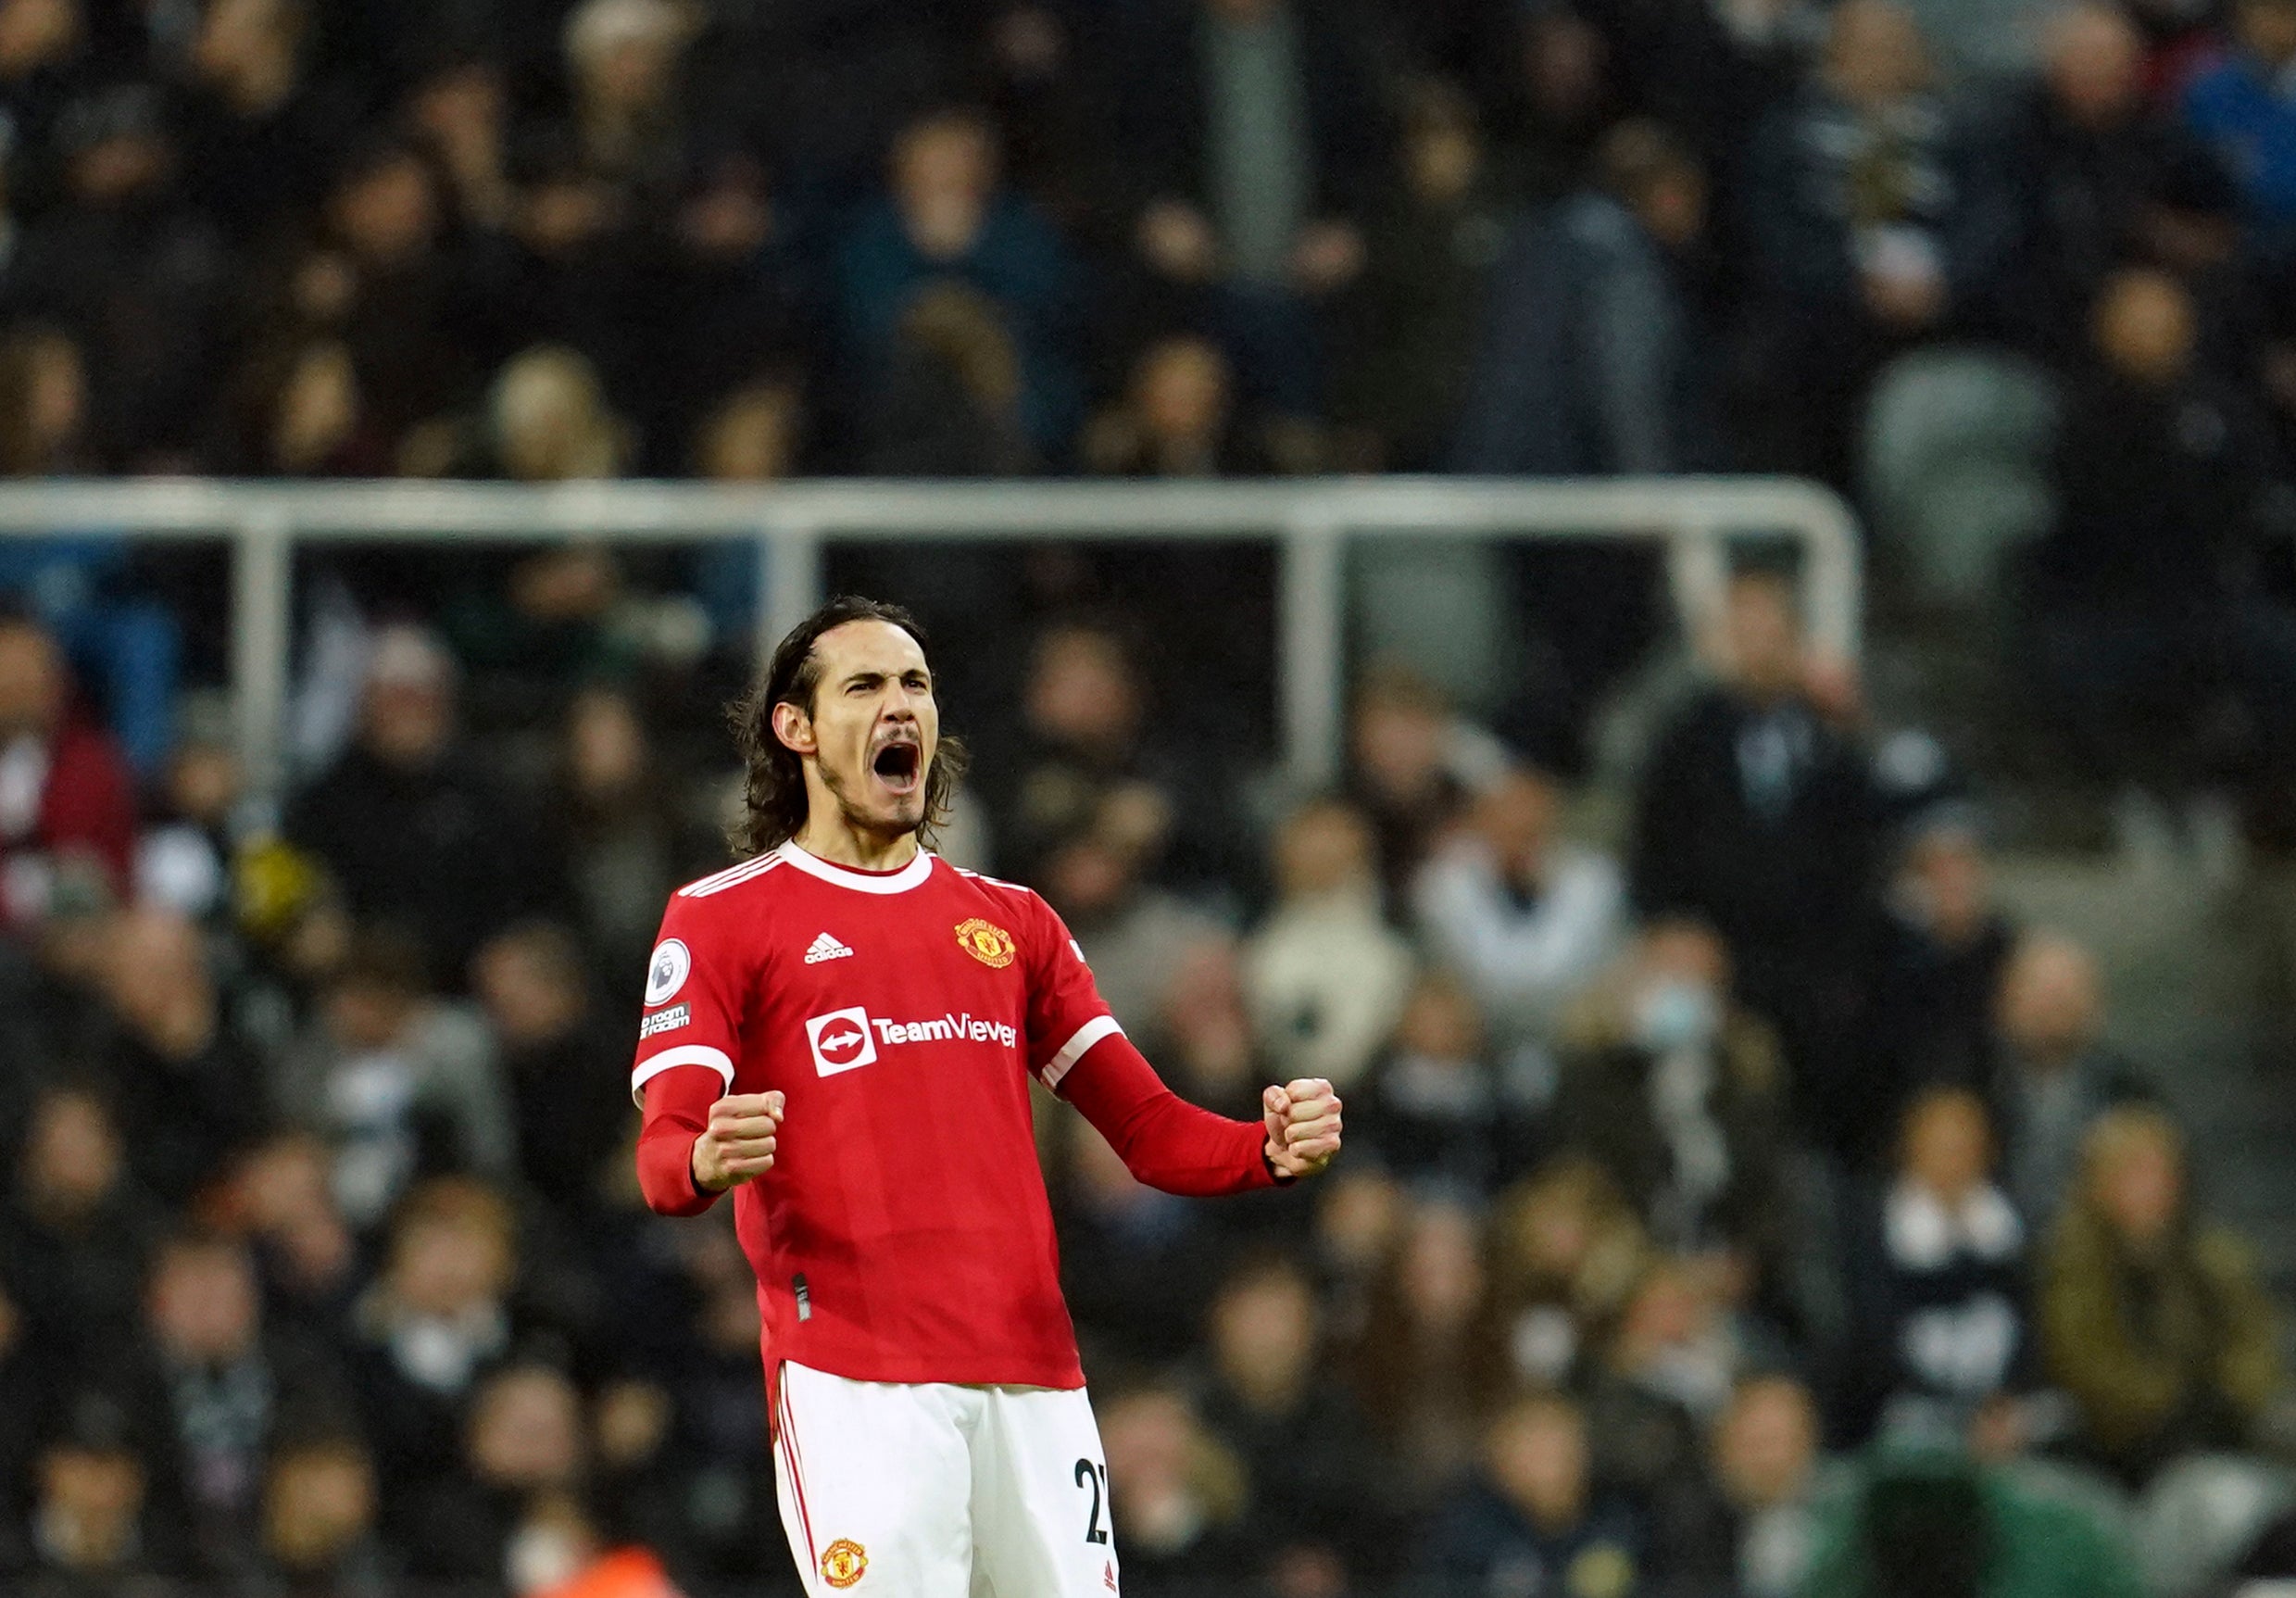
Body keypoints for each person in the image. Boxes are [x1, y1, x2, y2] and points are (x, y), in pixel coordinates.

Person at [629, 596, 1344, 1595]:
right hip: (856, 1381)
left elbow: (1143, 1130)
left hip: (1037, 1378)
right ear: (795, 729)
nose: (900, 708)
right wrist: (704, 1158)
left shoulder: (1012, 923)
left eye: (915, 685)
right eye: (865, 686)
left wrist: (1261, 1149)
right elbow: (663, 1154)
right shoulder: (723, 918)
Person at [2039, 1106, 2281, 1483]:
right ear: (2100, 1183)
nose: (2154, 1186)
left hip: (2224, 1421)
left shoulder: (2215, 1258)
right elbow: (2089, 1368)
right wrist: (2170, 1401)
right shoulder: (2074, 1267)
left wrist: (2229, 1396)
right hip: (2127, 1443)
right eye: (2136, 1173)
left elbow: (2254, 1344)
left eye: (2162, 1172)